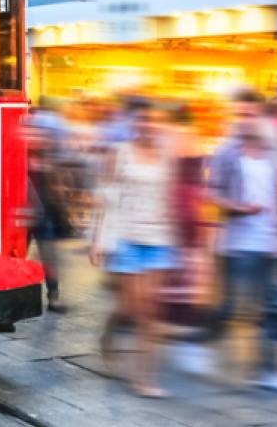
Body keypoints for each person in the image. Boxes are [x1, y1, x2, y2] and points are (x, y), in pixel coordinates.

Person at [211, 90, 277, 395]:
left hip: (269, 241)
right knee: (231, 308)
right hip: (238, 243)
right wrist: (239, 207)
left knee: (271, 307)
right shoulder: (226, 151)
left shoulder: (276, 147)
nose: (245, 120)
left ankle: (269, 371)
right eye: (240, 114)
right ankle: (196, 340)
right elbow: (212, 193)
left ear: (261, 115)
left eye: (250, 114)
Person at [91, 98, 179, 398]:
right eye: (142, 120)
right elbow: (104, 196)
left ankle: (144, 377)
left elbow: (170, 198)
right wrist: (98, 238)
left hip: (158, 240)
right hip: (125, 238)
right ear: (134, 123)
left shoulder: (166, 156)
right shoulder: (120, 152)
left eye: (153, 120)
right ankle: (109, 333)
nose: (148, 125)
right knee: (130, 308)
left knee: (149, 312)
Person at [25, 101, 73, 312]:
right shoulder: (18, 157)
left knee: (49, 254)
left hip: (42, 213)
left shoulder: (46, 159)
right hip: (23, 214)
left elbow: (58, 186)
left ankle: (53, 295)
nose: (35, 136)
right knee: (17, 257)